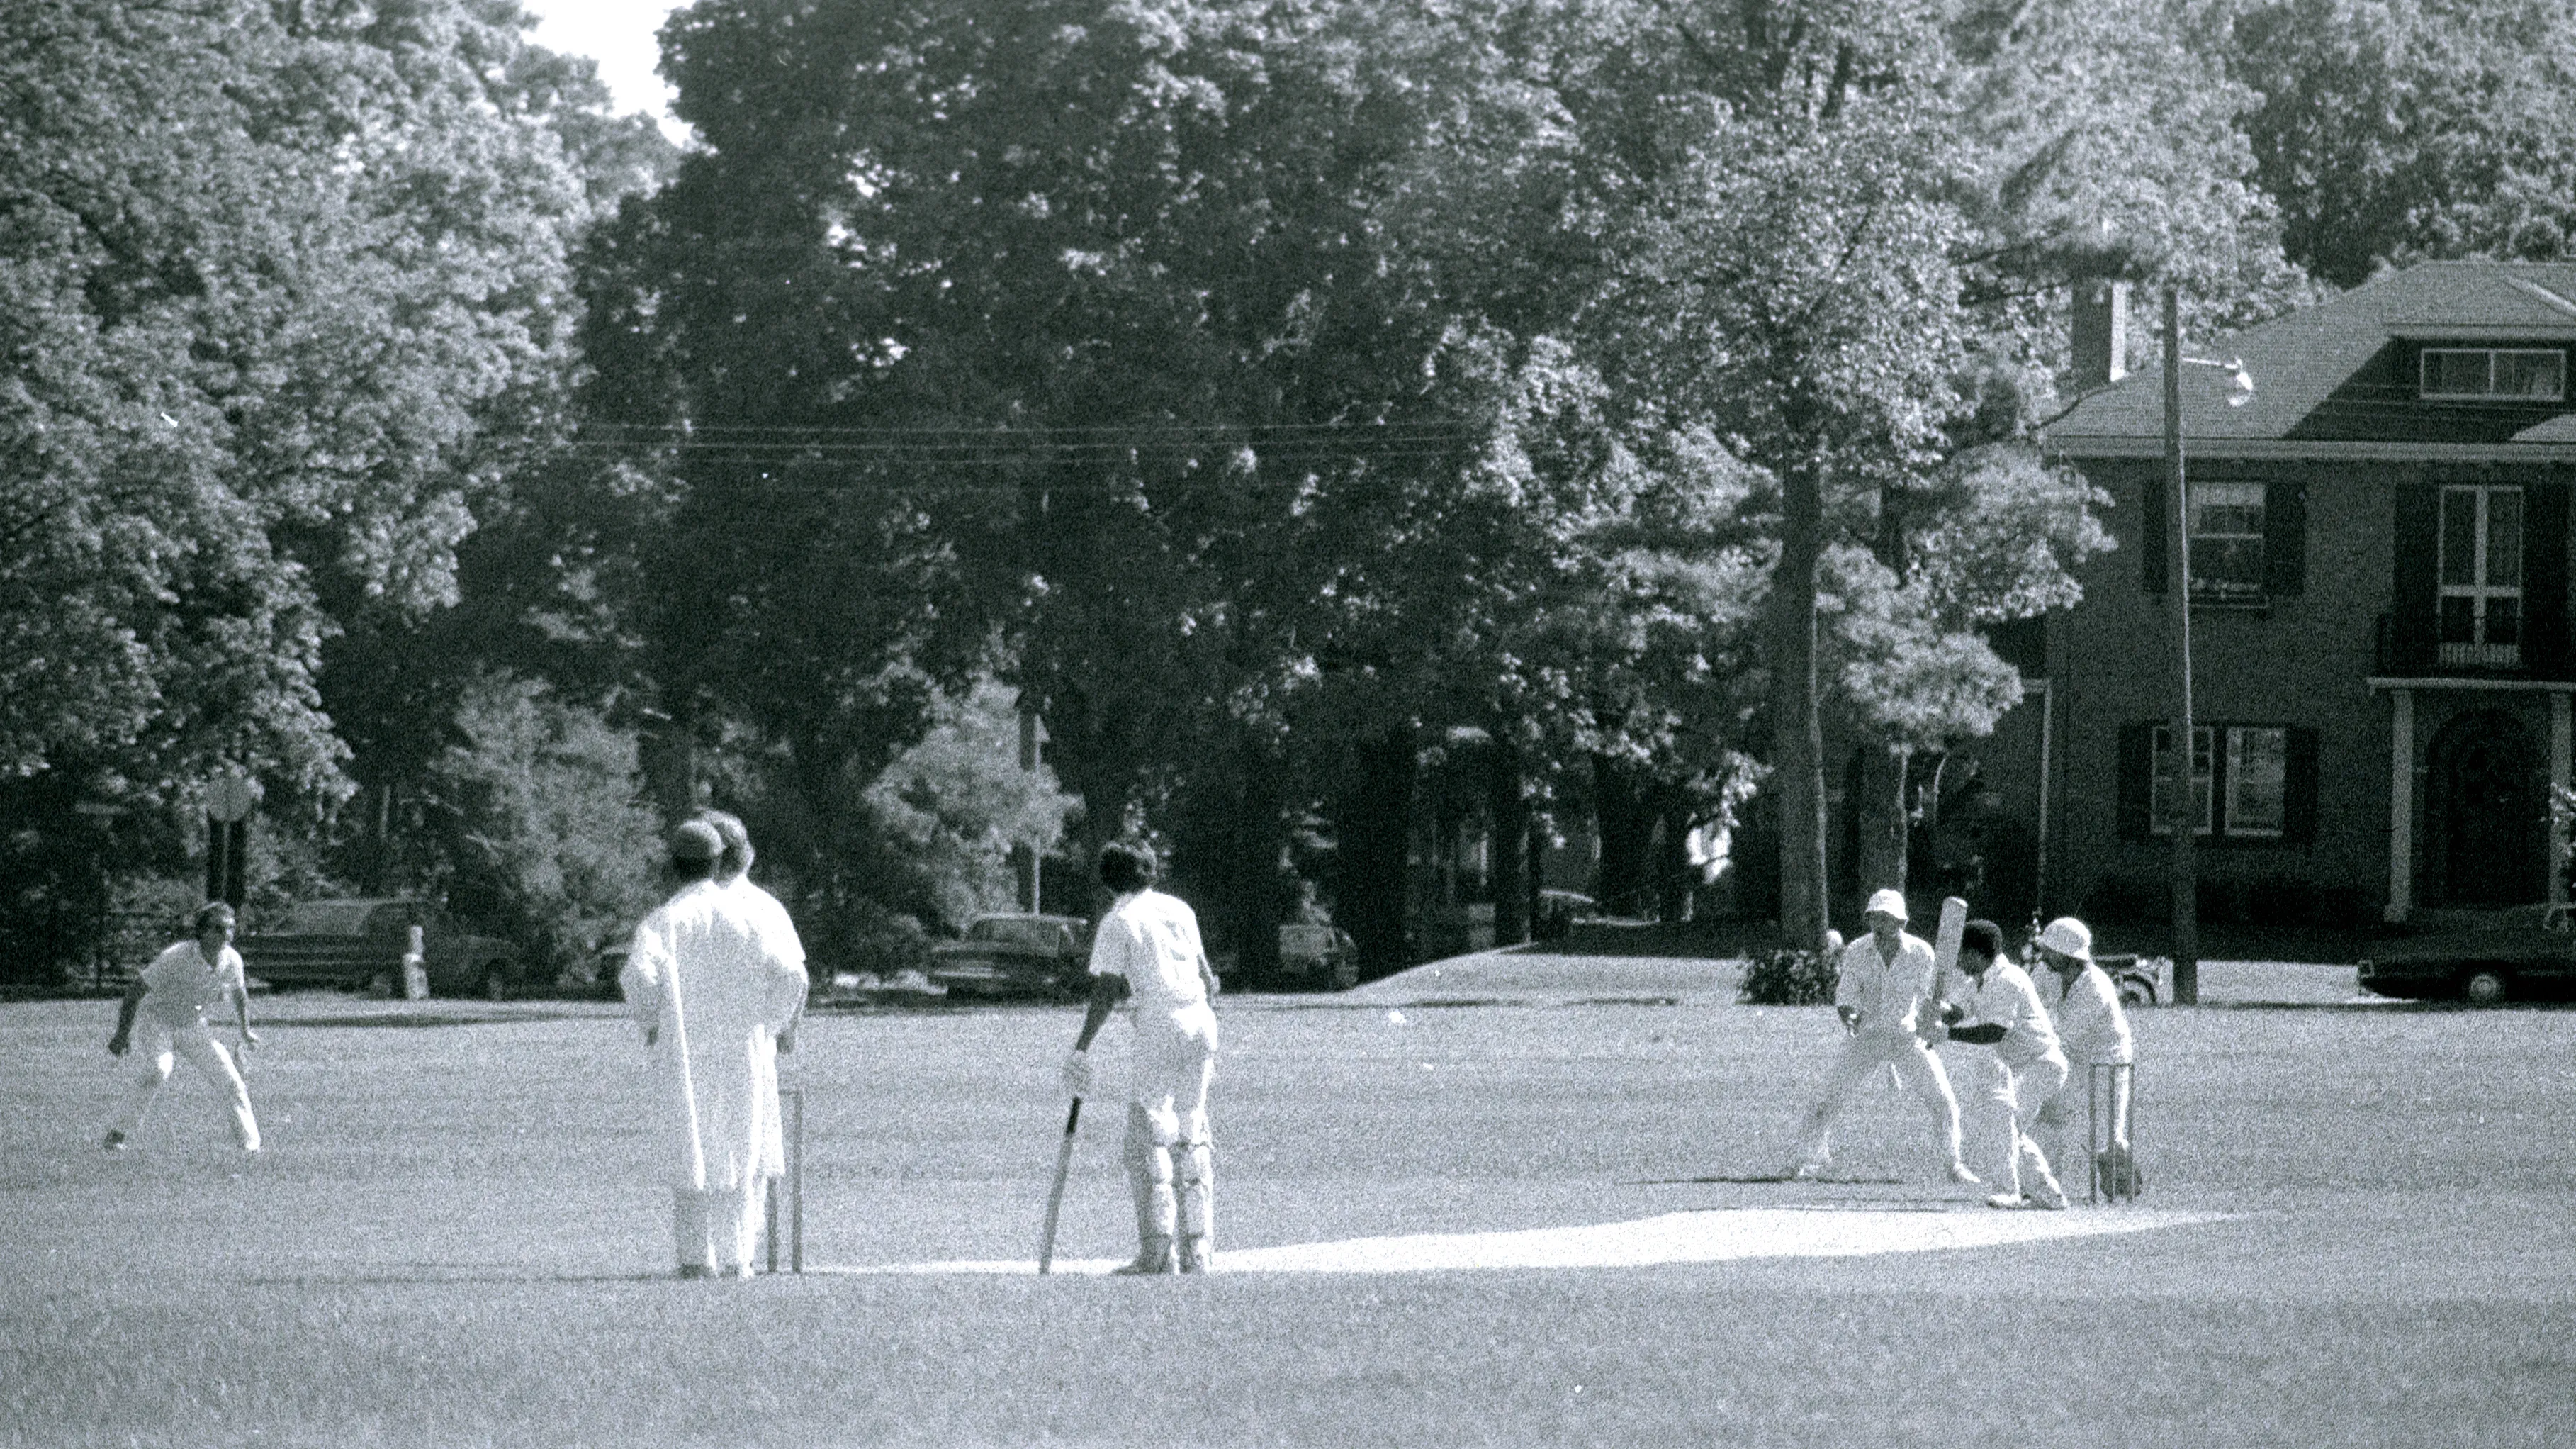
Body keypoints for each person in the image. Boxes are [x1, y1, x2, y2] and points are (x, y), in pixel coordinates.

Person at [620, 820, 809, 1279]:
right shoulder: (749, 917)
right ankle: (737, 1257)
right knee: (741, 1147)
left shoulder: (664, 921)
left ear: (673, 865)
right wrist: (769, 1025)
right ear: (720, 860)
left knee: (693, 1145)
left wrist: (653, 1022)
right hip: (742, 1052)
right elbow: (793, 978)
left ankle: (696, 1258)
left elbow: (637, 976)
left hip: (685, 1053)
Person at [1062, 841, 1220, 1275]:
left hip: (1161, 1022)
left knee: (1149, 1133)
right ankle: (1199, 1252)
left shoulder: (1120, 920)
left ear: (1107, 879)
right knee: (1192, 1129)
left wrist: (1083, 1044)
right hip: (1202, 1019)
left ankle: (1157, 1253)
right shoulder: (1180, 909)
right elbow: (1209, 976)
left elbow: (1108, 989)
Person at [1785, 888, 1975, 1185]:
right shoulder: (1857, 951)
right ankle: (1804, 1161)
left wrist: (1937, 1011)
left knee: (1943, 1101)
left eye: (1886, 918)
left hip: (1906, 1038)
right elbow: (1846, 996)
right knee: (1826, 1099)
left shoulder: (1922, 953)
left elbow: (1930, 1001)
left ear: (1901, 922)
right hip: (1866, 1038)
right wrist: (1848, 1014)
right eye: (1874, 917)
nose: (1878, 925)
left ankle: (1953, 1165)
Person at [697, 809, 809, 1221]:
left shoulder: (741, 906)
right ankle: (741, 1245)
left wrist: (773, 1028)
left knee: (714, 1143)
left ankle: (720, 1247)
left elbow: (794, 978)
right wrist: (776, 1029)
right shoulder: (766, 906)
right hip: (749, 1043)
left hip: (715, 1043)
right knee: (751, 1143)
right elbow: (798, 980)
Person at [1921, 918, 2071, 1210]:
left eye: (1961, 956)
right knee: (2009, 1128)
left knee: (2006, 1123)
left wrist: (1946, 1033)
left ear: (1976, 955)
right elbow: (1958, 1011)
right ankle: (2049, 1194)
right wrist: (1937, 1010)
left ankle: (2011, 1191)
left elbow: (1995, 1030)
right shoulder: (1976, 980)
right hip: (2021, 1066)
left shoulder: (2007, 980)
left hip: (2043, 1063)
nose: (1957, 963)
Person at [103, 902, 261, 1153]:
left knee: (232, 1082)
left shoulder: (232, 960)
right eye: (218, 929)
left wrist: (245, 1031)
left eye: (230, 929)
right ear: (202, 932)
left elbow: (239, 994)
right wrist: (122, 1034)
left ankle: (251, 1148)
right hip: (157, 1022)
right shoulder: (176, 956)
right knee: (159, 1070)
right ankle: (117, 1134)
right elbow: (134, 992)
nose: (226, 935)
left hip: (194, 1026)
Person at [2026, 917, 2141, 1196]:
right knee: (2050, 1111)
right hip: (2073, 1055)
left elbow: (2064, 1035)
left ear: (2068, 956)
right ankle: (2044, 1184)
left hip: (2109, 1058)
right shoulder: (2046, 972)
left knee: (2106, 1135)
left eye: (2051, 951)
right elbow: (2026, 1001)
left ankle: (2119, 1157)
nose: (2045, 956)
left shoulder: (2096, 988)